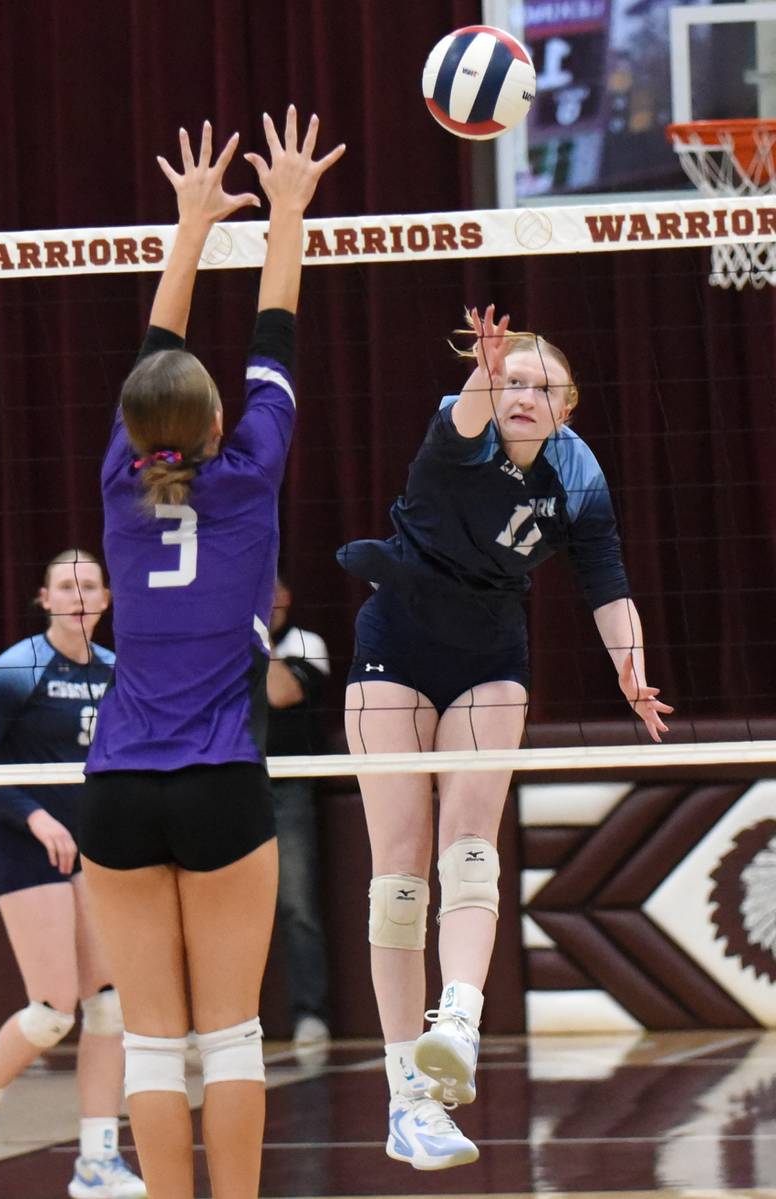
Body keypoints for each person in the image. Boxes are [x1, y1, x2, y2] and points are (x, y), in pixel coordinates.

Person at [77, 110, 344, 1199]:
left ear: (137, 433)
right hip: (225, 782)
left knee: (149, 1045)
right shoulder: (251, 474)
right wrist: (285, 211)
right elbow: (272, 329)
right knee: (231, 1039)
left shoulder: (119, 483)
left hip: (120, 790)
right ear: (218, 416)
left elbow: (157, 359)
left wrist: (188, 222)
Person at [338, 305, 673, 1170]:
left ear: (569, 406)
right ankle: (407, 1096)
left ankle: (457, 1018)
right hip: (397, 644)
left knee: (471, 847)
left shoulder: (579, 472)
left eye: (542, 385)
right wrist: (485, 379)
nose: (524, 392)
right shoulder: (458, 431)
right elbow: (464, 418)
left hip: (491, 649)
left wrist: (630, 669)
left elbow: (604, 575)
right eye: (510, 379)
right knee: (399, 875)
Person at [0, 549, 146, 1198]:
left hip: (94, 849)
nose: (78, 595)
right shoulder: (18, 668)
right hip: (29, 847)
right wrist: (37, 816)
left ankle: (96, 1160)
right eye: (65, 586)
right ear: (44, 599)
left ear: (106, 597)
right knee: (53, 1011)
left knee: (109, 1006)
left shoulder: (117, 670)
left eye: (89, 585)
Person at [267, 575, 331, 1055]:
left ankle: (311, 1015)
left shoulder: (306, 644)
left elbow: (280, 693)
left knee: (297, 906)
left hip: (289, 786)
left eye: (266, 589)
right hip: (230, 783)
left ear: (285, 597)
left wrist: (254, 637)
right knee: (216, 908)